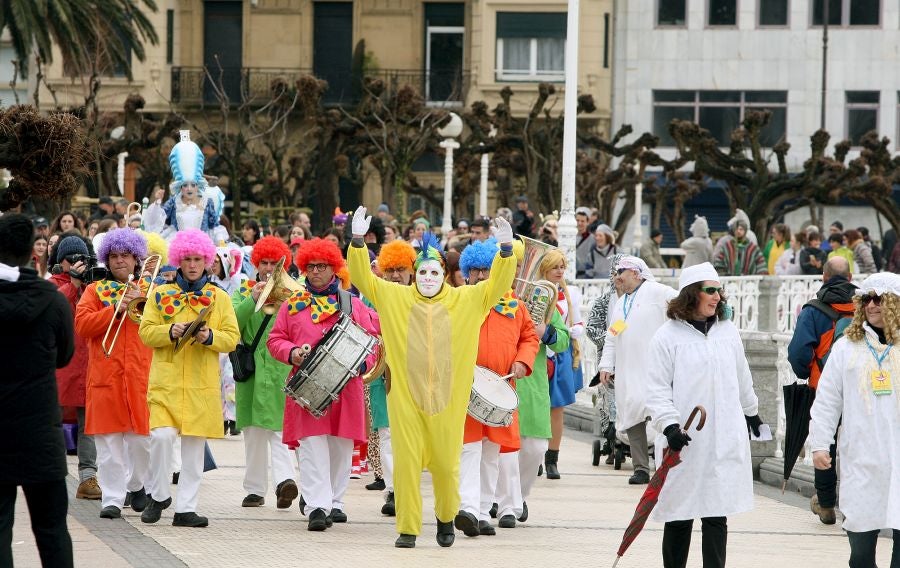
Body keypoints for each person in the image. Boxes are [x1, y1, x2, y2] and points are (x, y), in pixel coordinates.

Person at [348, 207, 516, 548]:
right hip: (406, 400)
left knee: (445, 465)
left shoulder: (467, 299)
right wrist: (355, 243)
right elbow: (363, 279)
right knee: (407, 465)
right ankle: (408, 528)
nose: (427, 277)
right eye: (422, 271)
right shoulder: (393, 297)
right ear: (414, 274)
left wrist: (507, 252)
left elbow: (498, 284)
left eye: (434, 272)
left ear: (444, 274)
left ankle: (444, 521)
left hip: (447, 402)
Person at [645, 262, 762, 568]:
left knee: (715, 514)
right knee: (679, 514)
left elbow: (742, 376)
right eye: (710, 290)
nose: (717, 297)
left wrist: (752, 413)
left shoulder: (727, 331)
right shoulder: (667, 337)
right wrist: (669, 426)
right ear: (691, 294)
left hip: (722, 437)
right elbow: (657, 389)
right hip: (684, 440)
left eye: (719, 291)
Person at [267, 238, 377, 530]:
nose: (315, 271)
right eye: (311, 266)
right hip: (306, 386)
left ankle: (335, 501)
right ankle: (317, 506)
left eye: (322, 266)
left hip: (346, 387)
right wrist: (292, 353)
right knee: (312, 446)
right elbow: (275, 339)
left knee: (340, 448)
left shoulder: (351, 303)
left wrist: (364, 363)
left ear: (334, 269)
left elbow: (374, 338)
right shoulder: (292, 305)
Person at [138, 229, 240, 527]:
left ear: (207, 261)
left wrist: (210, 336)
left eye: (198, 259)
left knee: (194, 448)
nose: (193, 264)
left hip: (201, 384)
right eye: (187, 259)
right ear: (178, 261)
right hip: (166, 382)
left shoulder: (219, 298)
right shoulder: (159, 294)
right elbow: (145, 332)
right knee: (161, 437)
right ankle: (158, 495)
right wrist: (169, 331)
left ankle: (186, 508)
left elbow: (232, 338)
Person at [810, 272, 900, 567]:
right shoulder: (846, 348)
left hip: (898, 460)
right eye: (866, 299)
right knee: (861, 555)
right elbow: (827, 400)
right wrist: (820, 443)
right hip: (862, 461)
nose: (872, 305)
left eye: (879, 298)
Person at [0, 214, 75, 568]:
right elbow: (65, 356)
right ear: (34, 252)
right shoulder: (53, 300)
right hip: (40, 431)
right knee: (51, 529)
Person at [456, 238, 539, 536]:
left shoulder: (515, 307)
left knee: (492, 452)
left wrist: (522, 361)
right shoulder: (460, 300)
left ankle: (480, 512)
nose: (480, 275)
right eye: (475, 270)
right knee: (468, 450)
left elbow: (530, 338)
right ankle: (466, 508)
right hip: (467, 388)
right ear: (466, 273)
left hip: (501, 390)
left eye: (486, 269)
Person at [74, 228, 153, 519]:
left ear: (136, 259)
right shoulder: (95, 291)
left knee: (142, 442)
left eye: (126, 256)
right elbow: (82, 326)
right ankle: (112, 499)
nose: (120, 261)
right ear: (107, 260)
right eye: (114, 256)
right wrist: (115, 310)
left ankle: (136, 485)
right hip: (106, 378)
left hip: (140, 377)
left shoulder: (150, 291)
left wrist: (140, 299)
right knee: (109, 447)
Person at [786, 256, 855, 525]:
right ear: (850, 279)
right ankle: (853, 505)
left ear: (824, 277)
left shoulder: (814, 310)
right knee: (855, 445)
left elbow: (798, 353)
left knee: (825, 442)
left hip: (822, 386)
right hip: (860, 388)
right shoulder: (864, 307)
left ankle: (826, 505)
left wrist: (806, 373)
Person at [598, 256, 677, 485]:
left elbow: (682, 306)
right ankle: (641, 468)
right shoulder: (622, 303)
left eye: (621, 271)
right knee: (632, 418)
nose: (617, 277)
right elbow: (612, 336)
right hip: (628, 370)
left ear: (636, 273)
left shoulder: (658, 292)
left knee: (662, 416)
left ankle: (666, 464)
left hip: (656, 369)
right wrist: (606, 365)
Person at [232, 236, 298, 510]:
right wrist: (252, 299)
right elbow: (233, 322)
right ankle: (255, 489)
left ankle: (285, 482)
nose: (269, 268)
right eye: (264, 263)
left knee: (280, 429)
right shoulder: (242, 290)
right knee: (253, 432)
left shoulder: (292, 293)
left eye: (274, 263)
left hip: (281, 367)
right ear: (256, 264)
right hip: (252, 370)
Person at [366, 240, 419, 515]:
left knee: (409, 434)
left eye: (401, 269)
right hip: (382, 373)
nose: (396, 275)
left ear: (412, 270)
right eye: (390, 270)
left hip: (415, 376)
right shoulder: (372, 296)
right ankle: (393, 490)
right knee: (386, 433)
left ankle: (407, 486)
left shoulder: (424, 295)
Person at [49, 235, 101, 500]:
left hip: (89, 363)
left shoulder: (95, 283)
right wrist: (73, 285)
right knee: (52, 423)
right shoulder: (54, 284)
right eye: (72, 259)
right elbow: (54, 309)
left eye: (82, 258)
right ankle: (52, 475)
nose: (77, 264)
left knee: (88, 425)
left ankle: (88, 477)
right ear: (61, 262)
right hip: (61, 366)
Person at [540, 249, 584, 479]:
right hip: (537, 353)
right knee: (535, 406)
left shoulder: (571, 294)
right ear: (544, 268)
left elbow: (578, 322)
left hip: (560, 353)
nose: (559, 271)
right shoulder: (534, 291)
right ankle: (535, 456)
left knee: (557, 409)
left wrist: (571, 330)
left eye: (562, 267)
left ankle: (552, 459)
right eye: (554, 267)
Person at [142, 131, 228, 243]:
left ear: (198, 186)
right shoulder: (174, 202)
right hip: (178, 247)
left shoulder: (207, 202)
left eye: (193, 185)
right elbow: (156, 222)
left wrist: (220, 240)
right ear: (180, 187)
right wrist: (158, 202)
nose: (189, 188)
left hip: (201, 247)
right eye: (185, 185)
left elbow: (214, 226)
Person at [575, 207, 594, 277]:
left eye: (582, 221)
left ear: (587, 222)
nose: (579, 223)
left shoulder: (593, 239)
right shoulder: (569, 237)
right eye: (577, 220)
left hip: (585, 277)